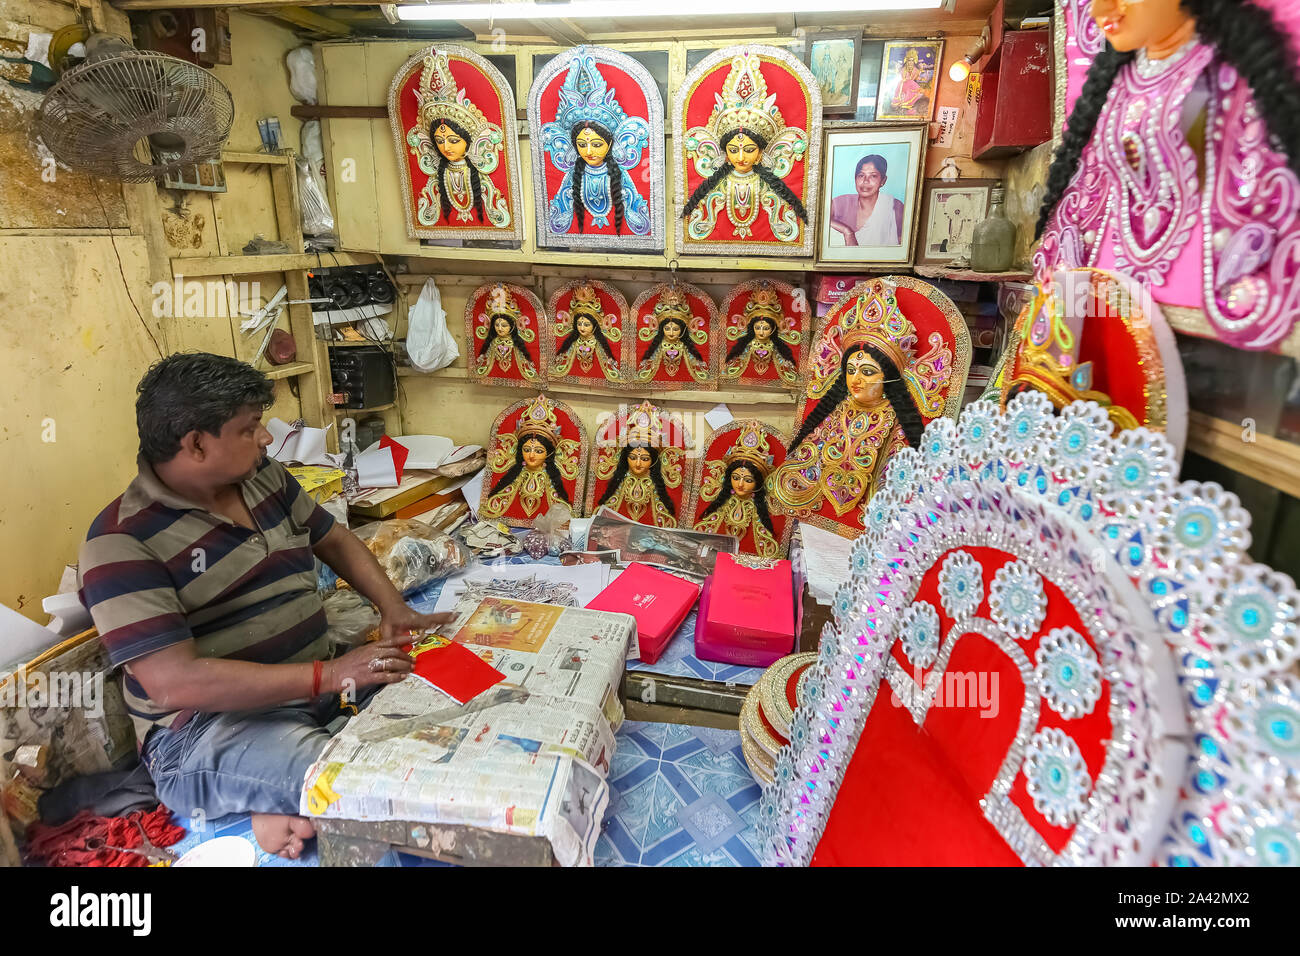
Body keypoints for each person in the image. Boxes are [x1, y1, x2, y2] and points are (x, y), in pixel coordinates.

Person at [77, 353, 454, 860]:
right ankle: (269, 787)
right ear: (195, 443)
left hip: (310, 691)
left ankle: (272, 792)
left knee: (444, 704)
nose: (266, 438)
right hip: (205, 730)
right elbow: (175, 682)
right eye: (251, 427)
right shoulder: (120, 541)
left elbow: (334, 538)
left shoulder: (263, 478)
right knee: (376, 779)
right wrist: (333, 673)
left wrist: (392, 607)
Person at [1034, 0, 1300, 350]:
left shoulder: (1227, 73)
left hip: (1214, 335)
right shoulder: (1116, 85)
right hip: (1103, 320)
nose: (1102, 11)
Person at [681, 50, 811, 243]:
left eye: (749, 150)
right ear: (725, 154)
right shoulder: (717, 183)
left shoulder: (771, 185)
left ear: (760, 154)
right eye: (733, 150)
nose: (741, 157)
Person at [540, 50, 652, 239]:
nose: (589, 151)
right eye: (582, 145)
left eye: (597, 144)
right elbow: (560, 219)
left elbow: (638, 220)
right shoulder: (572, 176)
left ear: (611, 145)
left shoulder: (620, 174)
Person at [829, 154, 905, 247]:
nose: (865, 181)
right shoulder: (841, 203)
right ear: (855, 178)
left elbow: (903, 248)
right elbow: (817, 219)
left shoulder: (894, 207)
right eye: (861, 175)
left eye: (873, 176)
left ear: (883, 181)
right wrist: (847, 232)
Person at [475, 285, 540, 382]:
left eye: (504, 325)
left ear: (513, 326)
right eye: (497, 325)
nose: (499, 329)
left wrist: (529, 361)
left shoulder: (516, 341)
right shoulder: (492, 340)